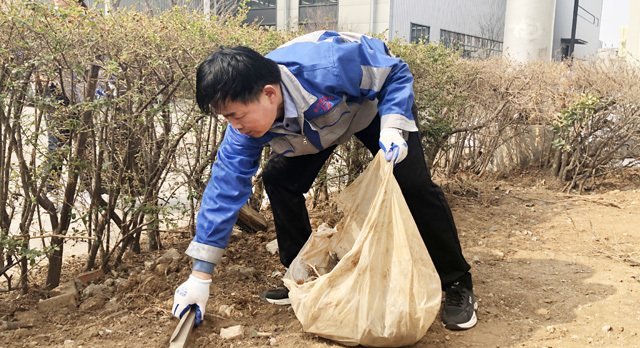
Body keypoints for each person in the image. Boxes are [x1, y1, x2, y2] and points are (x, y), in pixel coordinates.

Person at [172, 31, 478, 331]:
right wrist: (201, 276)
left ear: (269, 93)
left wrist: (394, 126)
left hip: (367, 111)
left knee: (412, 185)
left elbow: (394, 71)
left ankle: (456, 282)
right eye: (226, 119)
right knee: (279, 180)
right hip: (312, 131)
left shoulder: (329, 65)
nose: (234, 126)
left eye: (236, 115)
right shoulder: (242, 130)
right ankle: (304, 277)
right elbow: (224, 191)